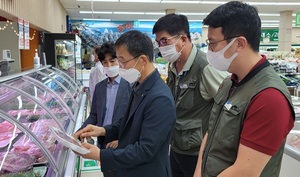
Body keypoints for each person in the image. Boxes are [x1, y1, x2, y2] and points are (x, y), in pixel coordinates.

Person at [193, 1, 295, 177]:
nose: (209, 50)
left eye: (213, 43)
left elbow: (245, 171)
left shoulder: (270, 97)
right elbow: (211, 132)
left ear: (240, 43)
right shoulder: (228, 83)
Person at [74, 30, 176, 177]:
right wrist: (102, 130)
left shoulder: (160, 98)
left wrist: (101, 155)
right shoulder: (138, 85)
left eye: (122, 61)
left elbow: (145, 150)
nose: (120, 67)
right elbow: (126, 122)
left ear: (142, 60)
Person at [152, 13, 227, 177]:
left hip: (197, 153)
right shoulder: (173, 66)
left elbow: (227, 106)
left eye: (165, 41)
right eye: (158, 42)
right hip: (176, 146)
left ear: (183, 39)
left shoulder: (206, 67)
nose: (161, 47)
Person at [77, 42, 131, 177]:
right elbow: (94, 115)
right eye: (105, 62)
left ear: (119, 60)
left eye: (112, 61)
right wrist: (81, 132)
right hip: (103, 142)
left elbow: (135, 119)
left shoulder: (131, 85)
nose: (109, 66)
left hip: (123, 144)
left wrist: (124, 140)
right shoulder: (100, 87)